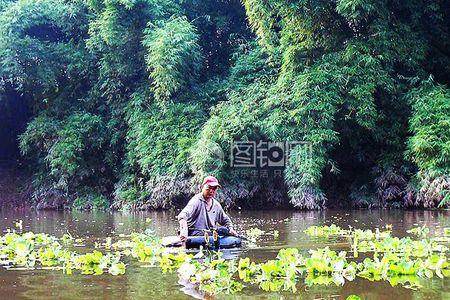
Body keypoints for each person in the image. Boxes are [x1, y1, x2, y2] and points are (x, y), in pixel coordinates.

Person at [177, 176, 238, 246]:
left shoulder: (216, 205)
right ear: (202, 187)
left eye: (214, 188)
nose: (211, 191)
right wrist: (184, 232)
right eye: (209, 188)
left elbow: (225, 220)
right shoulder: (196, 201)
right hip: (195, 234)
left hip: (210, 235)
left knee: (223, 230)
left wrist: (230, 229)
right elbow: (182, 216)